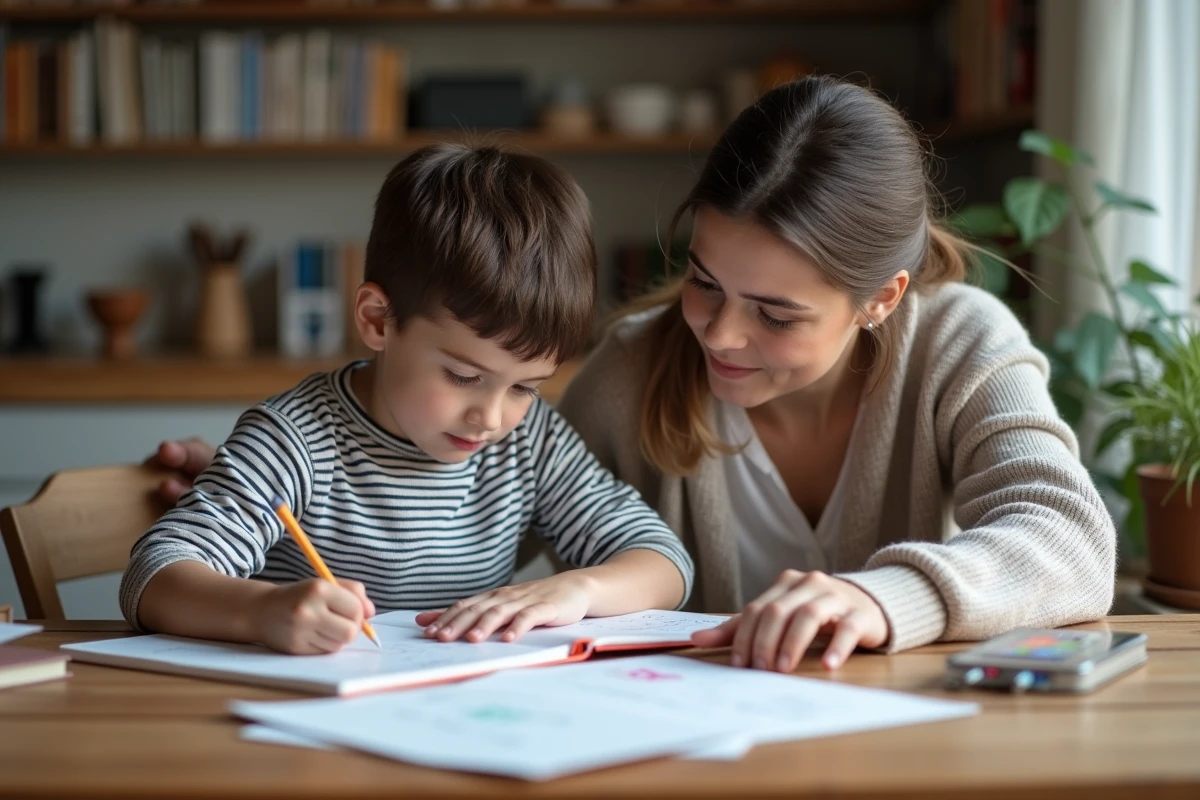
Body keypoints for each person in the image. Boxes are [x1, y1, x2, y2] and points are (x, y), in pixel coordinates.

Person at [152, 76, 1115, 673]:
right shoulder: (630, 369)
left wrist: (880, 597)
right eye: (704, 281)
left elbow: (1070, 540)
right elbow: (458, 493)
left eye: (776, 313)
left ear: (880, 298)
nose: (719, 335)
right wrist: (260, 483)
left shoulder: (958, 345)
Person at [125, 144, 693, 655]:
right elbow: (154, 576)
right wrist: (260, 611)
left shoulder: (533, 439)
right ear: (379, 320)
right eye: (463, 376)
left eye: (524, 387)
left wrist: (581, 588)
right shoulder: (295, 439)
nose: (492, 418)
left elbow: (664, 559)